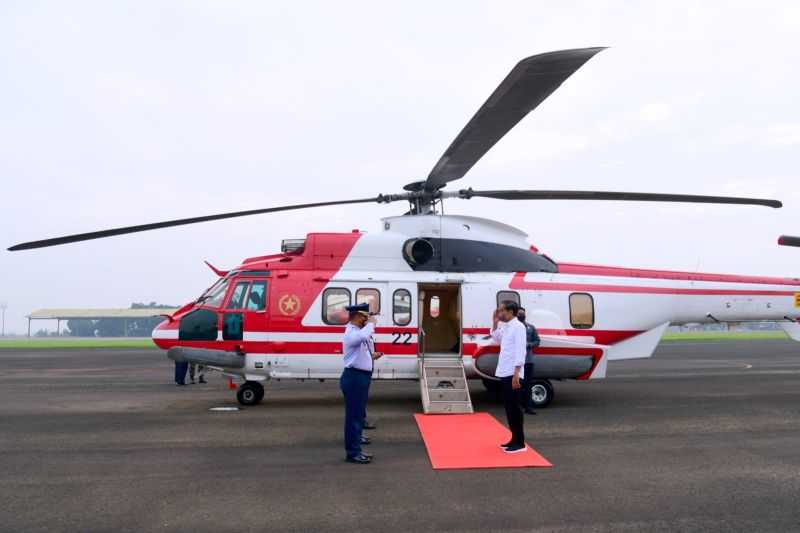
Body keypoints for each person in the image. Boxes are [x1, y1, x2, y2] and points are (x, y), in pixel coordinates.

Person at [340, 303, 383, 464]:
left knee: (357, 416)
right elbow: (363, 337)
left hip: (360, 377)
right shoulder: (352, 332)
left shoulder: (357, 332)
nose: (367, 319)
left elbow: (361, 352)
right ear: (357, 317)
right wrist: (372, 323)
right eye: (365, 317)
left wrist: (372, 357)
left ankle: (356, 447)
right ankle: (353, 453)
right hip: (354, 378)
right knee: (354, 418)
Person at [490, 300, 527, 453]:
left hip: (513, 373)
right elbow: (496, 338)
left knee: (515, 408)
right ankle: (514, 438)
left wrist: (517, 373)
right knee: (509, 408)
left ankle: (520, 443)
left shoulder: (518, 327)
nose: (500, 313)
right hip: (505, 371)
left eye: (502, 311)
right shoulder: (506, 326)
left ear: (510, 312)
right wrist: (494, 322)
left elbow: (520, 350)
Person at [517, 307, 541, 415]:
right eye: (519, 313)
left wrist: (529, 344)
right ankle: (518, 407)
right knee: (518, 385)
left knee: (528, 385)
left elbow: (537, 341)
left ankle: (528, 407)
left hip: (528, 361)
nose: (521, 315)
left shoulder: (530, 327)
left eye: (523, 313)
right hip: (517, 361)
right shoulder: (513, 327)